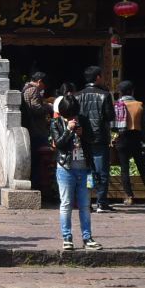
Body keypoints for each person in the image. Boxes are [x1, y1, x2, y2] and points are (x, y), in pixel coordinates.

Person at [50, 94, 102, 251]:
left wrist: (82, 134)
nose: (72, 117)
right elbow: (58, 144)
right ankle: (67, 237)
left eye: (74, 113)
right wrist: (68, 130)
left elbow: (93, 138)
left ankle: (87, 237)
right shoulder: (56, 123)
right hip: (65, 168)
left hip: (84, 169)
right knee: (66, 204)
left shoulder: (83, 120)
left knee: (85, 205)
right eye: (69, 114)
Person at [76, 66, 117, 213]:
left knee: (87, 170)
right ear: (98, 77)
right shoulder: (105, 95)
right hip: (100, 137)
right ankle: (101, 202)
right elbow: (110, 116)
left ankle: (87, 201)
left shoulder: (77, 95)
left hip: (83, 138)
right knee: (102, 171)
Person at [113, 80, 145, 206]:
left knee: (124, 169)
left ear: (120, 92)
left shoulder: (117, 105)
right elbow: (144, 125)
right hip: (136, 138)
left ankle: (129, 196)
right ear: (132, 91)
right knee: (143, 168)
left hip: (122, 138)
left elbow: (113, 126)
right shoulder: (139, 105)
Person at [20, 72, 54, 200]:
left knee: (35, 160)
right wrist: (48, 107)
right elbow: (36, 107)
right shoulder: (33, 90)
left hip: (31, 129)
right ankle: (38, 187)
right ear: (39, 81)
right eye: (44, 84)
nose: (44, 88)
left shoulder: (24, 88)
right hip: (36, 130)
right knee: (38, 161)